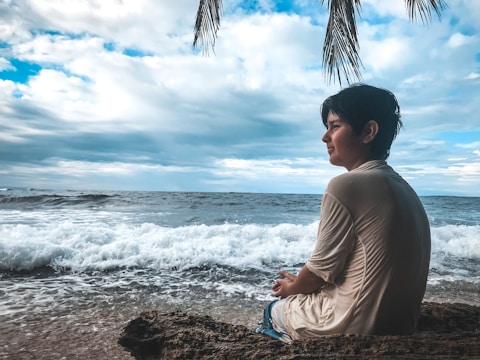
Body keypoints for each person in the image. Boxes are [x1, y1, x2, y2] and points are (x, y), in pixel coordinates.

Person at [254, 84, 431, 343]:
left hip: (353, 326)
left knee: (272, 310)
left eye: (335, 126)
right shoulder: (404, 188)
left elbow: (318, 271)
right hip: (401, 323)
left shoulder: (345, 185)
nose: (325, 137)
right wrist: (302, 285)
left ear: (368, 131)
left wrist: (293, 288)